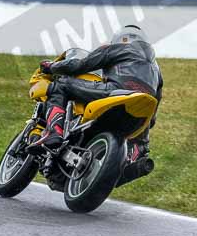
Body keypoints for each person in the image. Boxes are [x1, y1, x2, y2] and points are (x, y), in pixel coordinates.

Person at [29, 24, 163, 161]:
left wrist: (51, 66)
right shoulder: (156, 69)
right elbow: (154, 112)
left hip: (115, 91)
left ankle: (54, 131)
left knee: (61, 85)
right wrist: (144, 137)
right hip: (141, 111)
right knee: (139, 141)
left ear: (120, 38)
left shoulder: (118, 48)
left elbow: (79, 66)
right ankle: (135, 156)